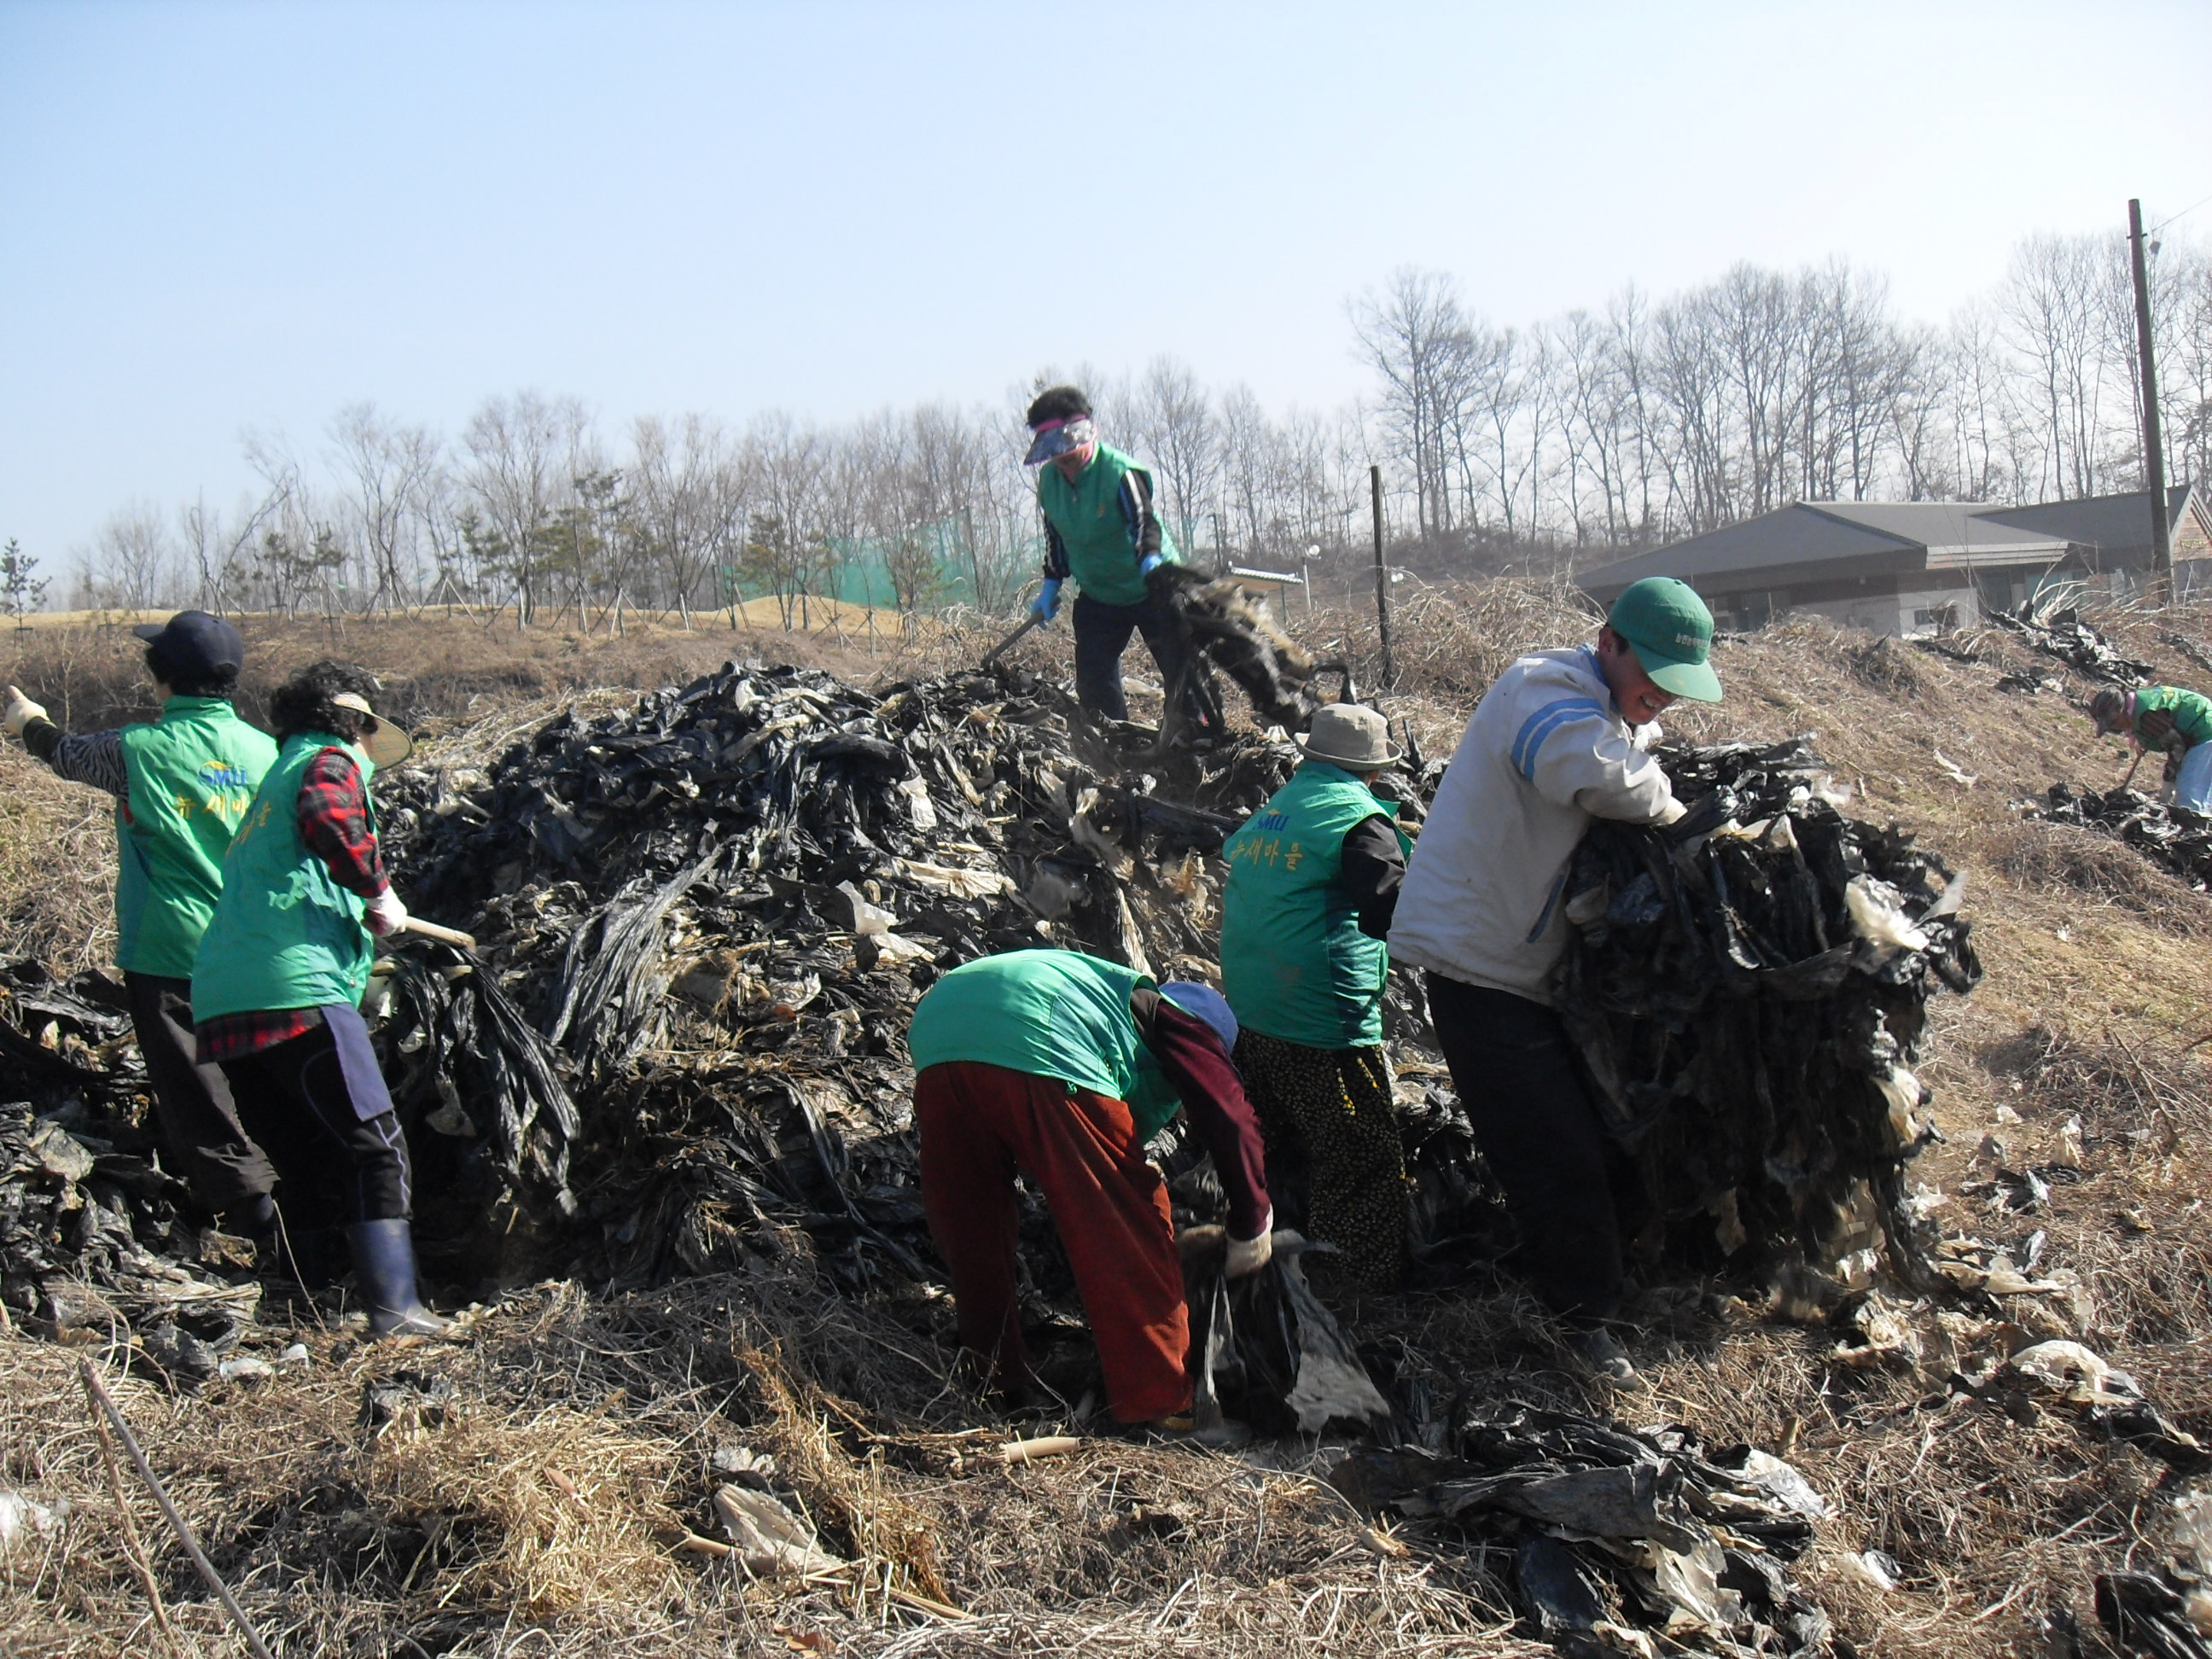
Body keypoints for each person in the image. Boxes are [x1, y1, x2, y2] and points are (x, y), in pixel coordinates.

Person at [1388, 577, 1723, 1386]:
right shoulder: (1546, 687)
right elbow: (1583, 770)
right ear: (1609, 642)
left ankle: (1596, 1276)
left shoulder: (1608, 710)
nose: (1662, 701)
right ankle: (1584, 1325)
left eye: (1678, 691)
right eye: (1655, 679)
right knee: (1553, 1151)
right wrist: (1681, 811)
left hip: (1527, 968)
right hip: (1480, 965)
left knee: (1602, 1127)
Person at [906, 948, 1272, 1432]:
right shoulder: (1185, 1019)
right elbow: (1231, 1117)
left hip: (938, 1029)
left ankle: (995, 1376)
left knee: (974, 1224)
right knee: (1130, 1222)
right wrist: (1252, 1222)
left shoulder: (1112, 1009)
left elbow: (1089, 1137)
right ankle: (1160, 1400)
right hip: (1040, 1028)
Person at [0, 612, 281, 1237]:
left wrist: (28, 723)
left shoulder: (135, 751)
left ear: (160, 676)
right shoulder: (270, 755)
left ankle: (255, 1229)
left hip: (170, 954)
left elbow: (64, 754)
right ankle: (307, 1229)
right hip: (259, 953)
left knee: (200, 1099)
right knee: (267, 1089)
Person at [189, 661, 443, 1338]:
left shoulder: (273, 778)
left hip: (222, 996)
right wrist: (377, 890)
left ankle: (302, 1305)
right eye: (368, 734)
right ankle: (396, 1310)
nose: (368, 751)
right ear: (354, 724)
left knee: (302, 1153)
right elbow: (330, 816)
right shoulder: (329, 759)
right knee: (376, 1145)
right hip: (292, 987)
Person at [1219, 703, 1412, 1290]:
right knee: (1360, 1149)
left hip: (1254, 1006)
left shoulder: (1278, 810)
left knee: (1277, 1137)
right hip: (1319, 1015)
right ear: (1373, 771)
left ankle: (1272, 1254)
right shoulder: (1358, 818)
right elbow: (1393, 907)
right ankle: (1351, 1280)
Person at [1022, 385, 1212, 734]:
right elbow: (1056, 535)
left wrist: (1151, 562)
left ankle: (1198, 738)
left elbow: (1144, 524)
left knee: (1181, 672)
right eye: (1057, 453)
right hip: (1100, 594)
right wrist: (1051, 583)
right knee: (1095, 682)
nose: (1066, 458)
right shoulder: (1050, 483)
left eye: (1071, 449)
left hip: (1150, 586)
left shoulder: (1120, 472)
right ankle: (1112, 743)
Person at [2089, 684, 2212, 811]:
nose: (2115, 728)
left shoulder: (2147, 716)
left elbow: (2177, 749)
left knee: (2190, 801)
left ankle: (2195, 829)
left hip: (2205, 732)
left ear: (2123, 710)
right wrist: (2142, 738)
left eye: (2113, 723)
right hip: (2198, 729)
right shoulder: (2138, 705)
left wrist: (2167, 786)